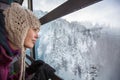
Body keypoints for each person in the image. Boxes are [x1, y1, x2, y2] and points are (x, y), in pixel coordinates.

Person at [0, 2, 41, 80]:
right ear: (20, 28)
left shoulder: (6, 55)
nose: (37, 36)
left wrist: (28, 72)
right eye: (35, 30)